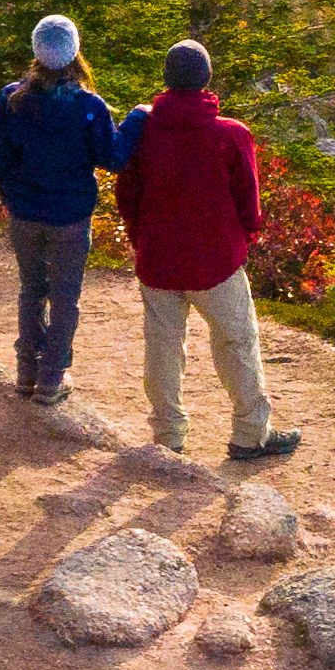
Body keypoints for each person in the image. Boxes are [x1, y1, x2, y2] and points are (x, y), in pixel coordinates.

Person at [116, 35, 296, 466]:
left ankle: (168, 438)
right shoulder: (232, 135)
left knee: (162, 346)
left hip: (157, 260)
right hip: (216, 262)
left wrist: (142, 238)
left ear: (166, 79)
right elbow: (248, 204)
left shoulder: (143, 133)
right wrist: (243, 239)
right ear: (206, 79)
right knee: (236, 341)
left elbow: (128, 196)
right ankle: (251, 434)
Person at [0, 14, 128, 407]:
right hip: (70, 216)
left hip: (25, 212)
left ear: (37, 51)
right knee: (65, 295)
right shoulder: (87, 106)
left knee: (32, 289)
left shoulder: (12, 98)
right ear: (75, 52)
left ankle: (26, 373)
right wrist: (137, 122)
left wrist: (8, 194)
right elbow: (112, 157)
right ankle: (52, 378)